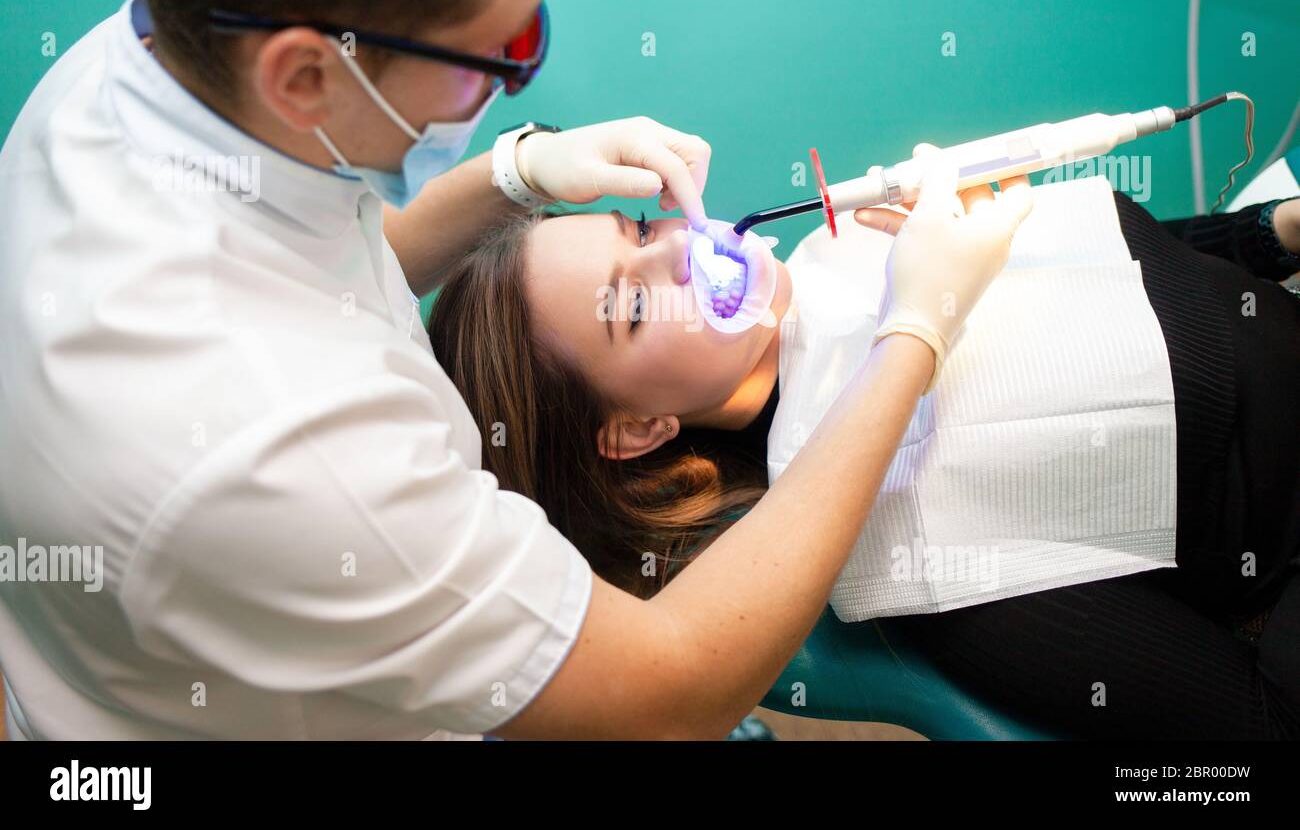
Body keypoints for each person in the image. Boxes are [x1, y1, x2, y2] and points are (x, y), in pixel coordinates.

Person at [0, 0, 1030, 740]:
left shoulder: (152, 58)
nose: (512, 86)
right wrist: (915, 332)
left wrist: (516, 173)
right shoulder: (274, 454)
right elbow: (671, 690)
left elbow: (322, 271)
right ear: (307, 72)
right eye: (504, 52)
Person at [427, 173, 1300, 739]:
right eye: (635, 305)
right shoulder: (914, 546)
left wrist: (1275, 230)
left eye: (645, 229)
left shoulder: (853, 251)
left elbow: (1136, 273)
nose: (685, 257)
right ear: (636, 430)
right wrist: (922, 319)